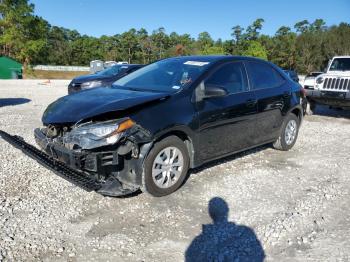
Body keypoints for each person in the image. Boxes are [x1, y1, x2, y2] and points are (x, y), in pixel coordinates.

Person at [185, 197, 265, 262]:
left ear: (210, 214)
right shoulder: (245, 232)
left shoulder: (199, 241)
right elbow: (260, 255)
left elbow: (189, 257)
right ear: (227, 212)